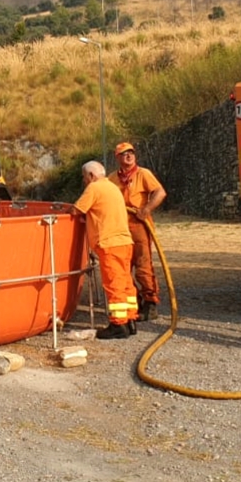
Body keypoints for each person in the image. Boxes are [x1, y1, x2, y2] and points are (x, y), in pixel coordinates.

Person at [71, 160, 139, 340]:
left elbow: (76, 210)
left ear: (91, 176)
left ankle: (118, 325)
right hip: (124, 242)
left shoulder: (94, 188)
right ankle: (130, 319)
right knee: (126, 282)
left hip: (110, 243)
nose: (84, 181)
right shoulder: (112, 187)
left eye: (84, 178)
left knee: (114, 283)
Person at [112, 141, 167, 321]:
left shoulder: (143, 174)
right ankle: (133, 302)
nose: (128, 155)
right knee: (123, 267)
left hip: (139, 225)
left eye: (131, 153)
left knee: (143, 266)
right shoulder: (112, 179)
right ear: (117, 157)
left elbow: (160, 192)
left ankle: (150, 303)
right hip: (120, 227)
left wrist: (147, 209)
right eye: (124, 153)